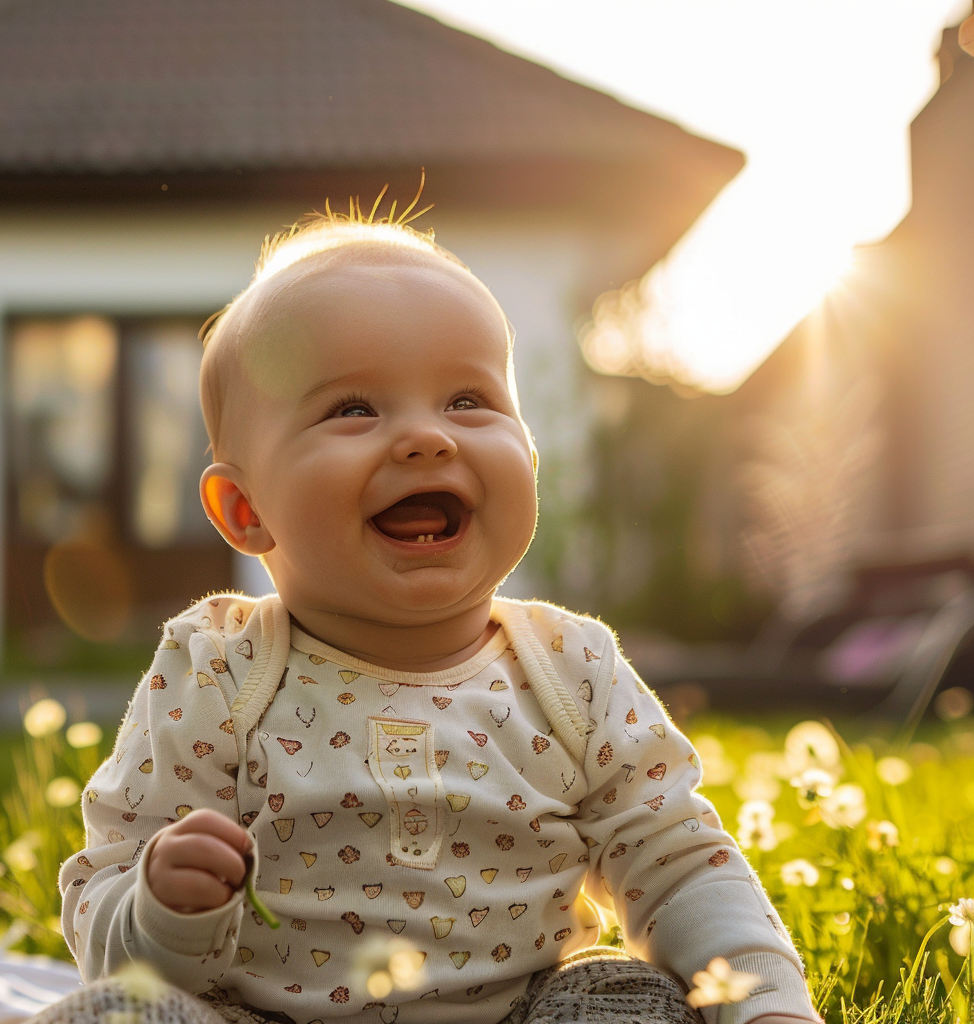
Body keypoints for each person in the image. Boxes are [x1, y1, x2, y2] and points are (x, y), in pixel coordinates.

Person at [47, 198, 820, 1024]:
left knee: (625, 997)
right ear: (245, 510)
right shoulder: (220, 665)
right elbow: (109, 934)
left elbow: (680, 862)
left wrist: (766, 1004)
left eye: (466, 400)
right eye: (353, 409)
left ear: (527, 454)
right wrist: (164, 904)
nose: (426, 438)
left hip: (518, 1013)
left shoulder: (571, 670)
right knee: (112, 1015)